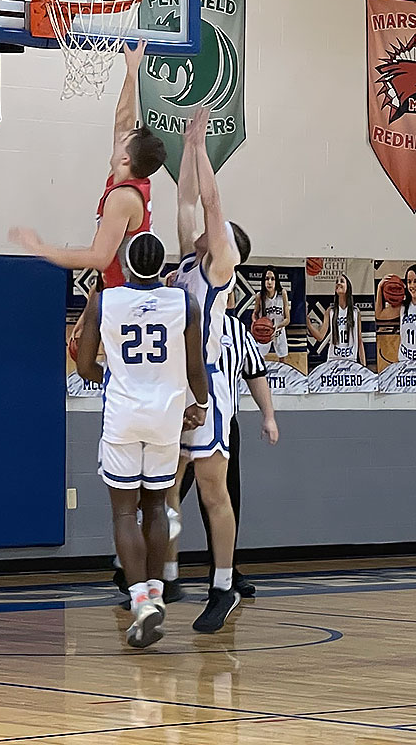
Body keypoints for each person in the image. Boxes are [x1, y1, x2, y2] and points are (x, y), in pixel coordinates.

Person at [75, 231, 209, 648]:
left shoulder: (105, 300)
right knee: (155, 505)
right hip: (166, 416)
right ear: (160, 268)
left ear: (128, 265)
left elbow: (83, 366)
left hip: (123, 415)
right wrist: (200, 405)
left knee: (122, 513)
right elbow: (194, 367)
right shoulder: (182, 302)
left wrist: (111, 380)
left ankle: (140, 601)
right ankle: (154, 591)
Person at [169, 105, 252, 633]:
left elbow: (211, 200)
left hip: (212, 392)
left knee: (211, 489)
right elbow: (184, 198)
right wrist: (185, 147)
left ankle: (222, 587)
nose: (208, 230)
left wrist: (202, 146)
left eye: (221, 231)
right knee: (162, 485)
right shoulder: (183, 262)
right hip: (175, 389)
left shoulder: (220, 268)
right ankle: (165, 574)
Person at [10, 43, 167, 290]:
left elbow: (99, 257)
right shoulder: (125, 177)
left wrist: (40, 248)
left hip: (128, 296)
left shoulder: (123, 197)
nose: (119, 138)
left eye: (123, 142)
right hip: (118, 288)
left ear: (126, 158)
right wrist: (131, 72)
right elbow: (123, 122)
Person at [169, 310, 280, 601]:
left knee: (224, 500)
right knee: (166, 498)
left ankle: (226, 573)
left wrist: (268, 416)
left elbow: (256, 373)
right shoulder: (179, 318)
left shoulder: (237, 330)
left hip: (224, 424)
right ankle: (145, 572)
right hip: (181, 422)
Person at [375, 264, 416, 371]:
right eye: (409, 281)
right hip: (404, 361)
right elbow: (379, 314)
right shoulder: (402, 307)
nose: (412, 285)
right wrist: (380, 288)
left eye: (415, 281)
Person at [306, 274, 366, 366]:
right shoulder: (330, 310)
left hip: (351, 359)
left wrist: (364, 366)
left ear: (348, 287)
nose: (338, 283)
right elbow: (320, 337)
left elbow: (359, 340)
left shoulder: (355, 311)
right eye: (336, 282)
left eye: (342, 281)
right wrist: (309, 324)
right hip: (333, 359)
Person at [254, 266, 291, 360]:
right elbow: (255, 313)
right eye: (266, 279)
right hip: (264, 331)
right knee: (260, 358)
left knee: (283, 359)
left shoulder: (282, 293)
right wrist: (255, 322)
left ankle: (283, 375)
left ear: (276, 281)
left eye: (272, 279)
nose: (269, 282)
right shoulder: (259, 296)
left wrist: (277, 326)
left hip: (279, 330)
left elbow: (287, 319)